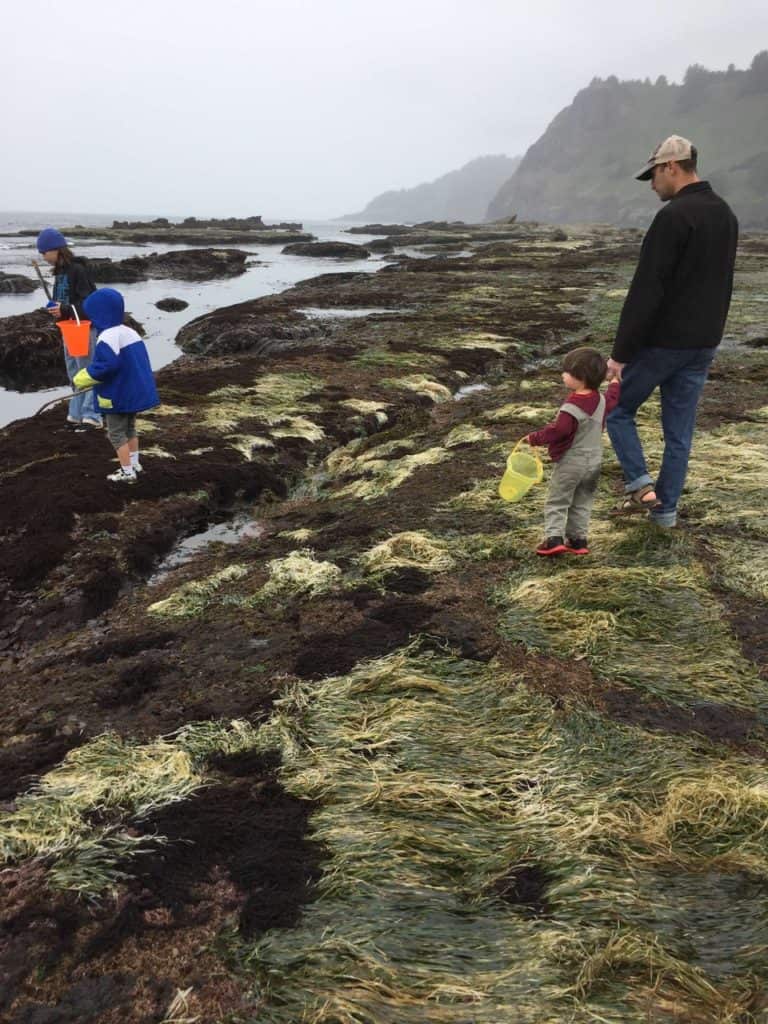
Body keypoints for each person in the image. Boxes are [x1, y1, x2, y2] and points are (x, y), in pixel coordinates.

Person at [606, 135, 739, 527]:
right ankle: (664, 515)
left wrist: (621, 353)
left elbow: (648, 288)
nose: (651, 184)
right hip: (703, 344)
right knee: (678, 436)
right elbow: (722, 282)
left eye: (653, 175)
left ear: (671, 167)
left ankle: (640, 485)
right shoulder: (725, 214)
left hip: (664, 343)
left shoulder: (674, 216)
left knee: (616, 411)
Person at [526, 347, 620, 556]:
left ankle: (554, 539)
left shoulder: (571, 406)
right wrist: (615, 381)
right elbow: (613, 399)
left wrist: (535, 438)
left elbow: (559, 430)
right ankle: (578, 540)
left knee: (558, 500)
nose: (563, 375)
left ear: (580, 377)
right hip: (594, 462)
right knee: (582, 501)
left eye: (566, 372)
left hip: (571, 462)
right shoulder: (601, 401)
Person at [72, 288, 159, 483]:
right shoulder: (130, 332)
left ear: (99, 313)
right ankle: (135, 464)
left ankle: (127, 472)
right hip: (133, 393)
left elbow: (105, 367)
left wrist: (81, 378)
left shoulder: (107, 336)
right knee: (130, 429)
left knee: (116, 434)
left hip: (116, 395)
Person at [36, 227, 103, 430]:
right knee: (73, 370)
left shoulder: (77, 270)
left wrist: (64, 308)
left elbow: (90, 303)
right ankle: (76, 413)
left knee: (87, 369)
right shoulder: (60, 272)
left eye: (44, 252)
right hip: (69, 328)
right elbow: (63, 302)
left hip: (84, 327)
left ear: (56, 249)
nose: (42, 256)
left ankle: (93, 415)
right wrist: (57, 309)